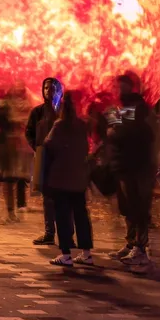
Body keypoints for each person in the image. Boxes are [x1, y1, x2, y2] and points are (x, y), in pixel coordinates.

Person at [107, 72, 157, 269]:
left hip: (139, 165)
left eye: (122, 86)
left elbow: (120, 131)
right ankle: (130, 243)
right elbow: (112, 129)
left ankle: (141, 248)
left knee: (140, 207)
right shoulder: (123, 108)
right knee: (128, 206)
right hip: (124, 164)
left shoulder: (139, 107)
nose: (118, 90)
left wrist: (115, 127)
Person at [42, 89, 93, 266]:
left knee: (62, 215)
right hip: (79, 178)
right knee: (81, 215)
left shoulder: (59, 125)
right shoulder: (81, 125)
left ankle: (66, 254)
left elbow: (49, 145)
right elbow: (86, 148)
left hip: (61, 178)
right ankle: (86, 253)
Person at [25, 77, 64, 245]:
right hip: (45, 157)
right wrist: (37, 147)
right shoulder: (37, 112)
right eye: (46, 88)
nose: (49, 91)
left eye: (53, 88)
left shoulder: (64, 111)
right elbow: (29, 132)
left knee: (62, 196)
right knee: (48, 196)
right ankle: (49, 232)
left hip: (62, 159)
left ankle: (65, 233)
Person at [0, 86, 28, 222]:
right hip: (6, 147)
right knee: (4, 181)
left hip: (12, 147)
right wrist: (1, 138)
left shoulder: (9, 109)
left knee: (9, 181)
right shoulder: (3, 109)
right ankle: (0, 212)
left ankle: (9, 212)